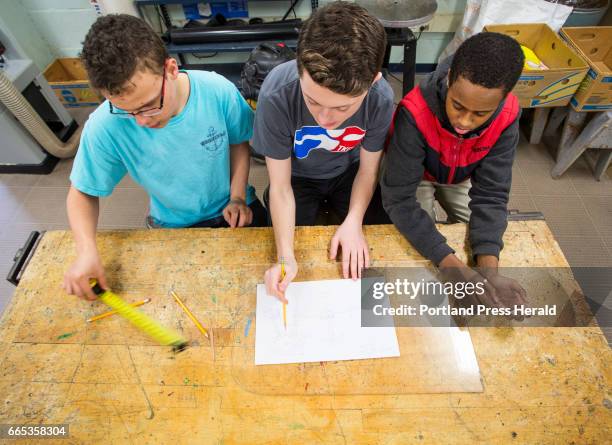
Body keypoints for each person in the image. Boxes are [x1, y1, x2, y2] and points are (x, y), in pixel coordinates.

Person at [63, 14, 266, 300]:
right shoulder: (105, 124)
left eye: (148, 105)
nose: (141, 122)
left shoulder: (216, 90)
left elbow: (238, 143)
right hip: (174, 225)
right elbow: (82, 192)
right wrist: (86, 251)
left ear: (170, 69)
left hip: (237, 209)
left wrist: (236, 196)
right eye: (126, 110)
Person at [252, 1, 394, 302]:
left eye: (343, 107)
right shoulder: (277, 94)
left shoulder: (380, 98)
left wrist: (355, 221)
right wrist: (285, 257)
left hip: (350, 172)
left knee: (377, 245)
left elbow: (369, 171)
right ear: (300, 69)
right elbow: (279, 186)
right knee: (282, 239)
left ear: (373, 81)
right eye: (313, 102)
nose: (325, 119)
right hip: (297, 178)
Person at [381, 32, 528, 308]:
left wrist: (488, 271)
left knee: (488, 238)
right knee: (421, 248)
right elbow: (399, 199)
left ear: (503, 99)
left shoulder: (507, 116)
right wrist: (452, 266)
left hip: (462, 176)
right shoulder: (414, 111)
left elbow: (492, 195)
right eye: (457, 106)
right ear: (448, 80)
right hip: (418, 178)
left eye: (480, 114)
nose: (464, 121)